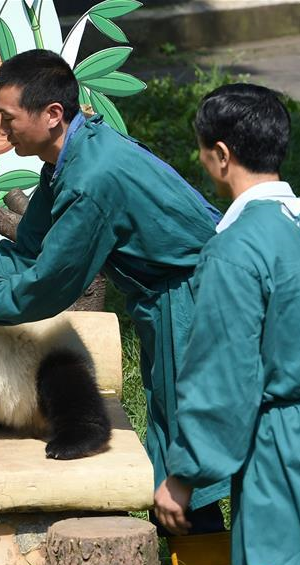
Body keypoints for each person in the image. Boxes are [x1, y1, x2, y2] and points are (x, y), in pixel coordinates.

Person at [0, 49, 228, 531]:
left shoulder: (91, 180)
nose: (1, 128)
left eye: (8, 117)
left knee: (191, 459)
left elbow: (48, 286)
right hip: (172, 297)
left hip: (200, 299)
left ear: (53, 115)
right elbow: (26, 252)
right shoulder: (70, 159)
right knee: (180, 446)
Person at [153, 84, 299, 563]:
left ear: (221, 155)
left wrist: (186, 473)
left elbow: (225, 374)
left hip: (281, 444)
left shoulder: (236, 249)